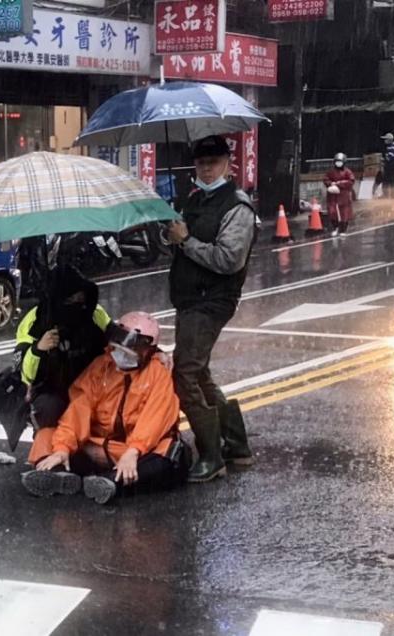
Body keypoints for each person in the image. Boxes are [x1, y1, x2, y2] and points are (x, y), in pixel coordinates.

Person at [21, 312, 189, 504]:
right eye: (119, 348)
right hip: (97, 445)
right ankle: (58, 472)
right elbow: (79, 409)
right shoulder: (101, 367)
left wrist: (134, 451)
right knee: (47, 435)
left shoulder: (157, 373)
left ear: (147, 351)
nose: (121, 355)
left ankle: (111, 482)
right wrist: (62, 448)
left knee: (172, 453)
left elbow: (155, 419)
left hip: (134, 451)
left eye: (129, 351)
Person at [166, 135, 257, 483]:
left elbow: (228, 259)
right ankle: (236, 445)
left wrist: (186, 241)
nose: (206, 169)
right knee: (199, 372)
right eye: (201, 163)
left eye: (213, 162)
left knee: (185, 374)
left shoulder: (237, 206)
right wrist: (171, 234)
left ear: (228, 164)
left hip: (211, 300)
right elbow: (177, 242)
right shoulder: (194, 200)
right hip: (189, 298)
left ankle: (211, 455)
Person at [16, 265, 111, 465]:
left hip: (93, 387)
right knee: (49, 409)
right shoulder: (34, 321)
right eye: (71, 300)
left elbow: (119, 342)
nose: (78, 305)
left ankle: (85, 453)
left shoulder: (95, 313)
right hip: (53, 389)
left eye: (81, 299)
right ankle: (50, 453)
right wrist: (38, 349)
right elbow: (26, 375)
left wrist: (156, 354)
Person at [324, 152, 356, 237]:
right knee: (332, 212)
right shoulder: (331, 171)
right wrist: (330, 184)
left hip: (343, 195)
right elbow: (326, 179)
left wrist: (339, 184)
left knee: (344, 213)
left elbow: (351, 181)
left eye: (340, 161)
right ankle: (335, 228)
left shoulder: (347, 172)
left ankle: (343, 230)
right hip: (332, 196)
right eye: (337, 161)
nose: (338, 163)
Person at [381, 133, 394, 199]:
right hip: (391, 166)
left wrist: (384, 160)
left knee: (388, 181)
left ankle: (389, 195)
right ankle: (392, 195)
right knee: (391, 181)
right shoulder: (392, 145)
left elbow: (389, 158)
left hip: (391, 166)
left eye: (386, 139)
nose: (384, 140)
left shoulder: (392, 147)